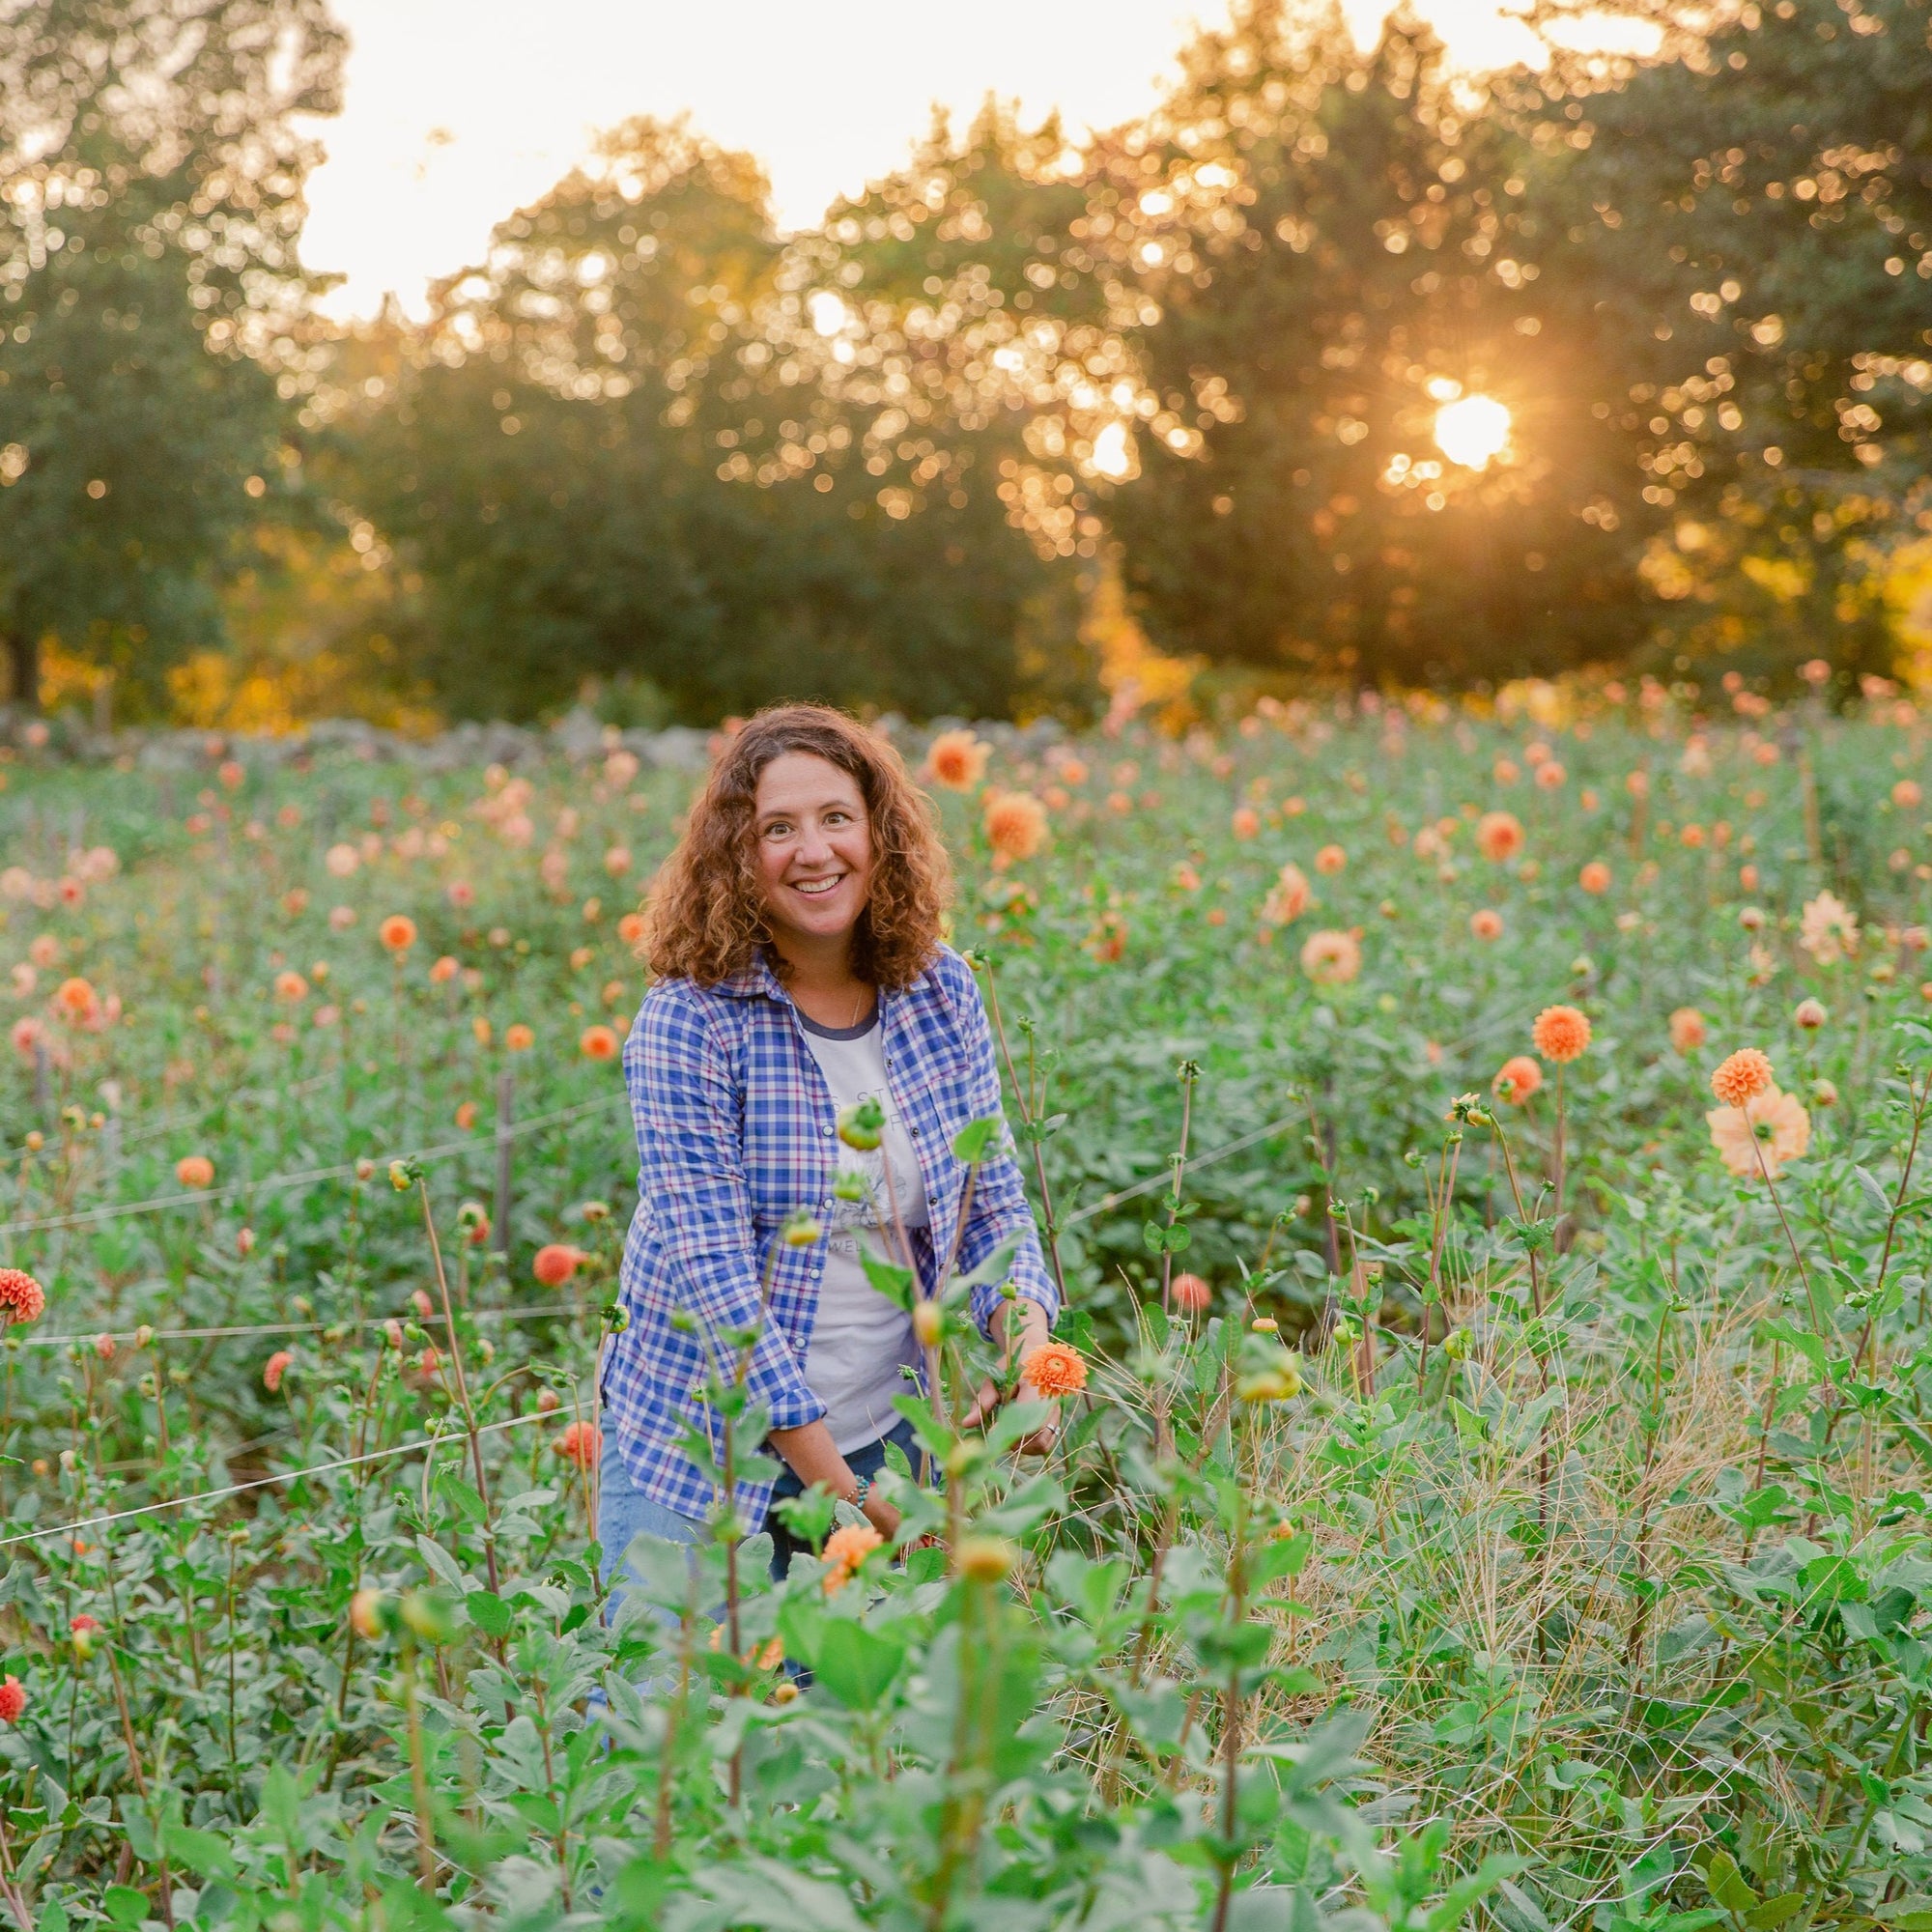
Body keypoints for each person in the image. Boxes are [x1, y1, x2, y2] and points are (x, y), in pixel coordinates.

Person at [598, 703, 1060, 1593]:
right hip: (699, 1446)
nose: (813, 852)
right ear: (737, 855)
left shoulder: (939, 989)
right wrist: (848, 1505)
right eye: (778, 828)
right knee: (674, 1720)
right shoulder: (689, 1019)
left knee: (858, 1721)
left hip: (883, 1433)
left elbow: (992, 1207)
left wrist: (1029, 1351)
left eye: (836, 818)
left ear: (880, 833)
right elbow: (719, 1286)